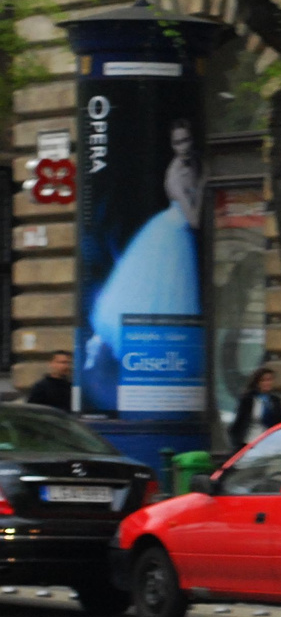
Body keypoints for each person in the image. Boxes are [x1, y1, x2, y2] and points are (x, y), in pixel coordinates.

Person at [80, 119, 203, 412]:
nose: (183, 148)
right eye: (177, 143)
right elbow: (195, 219)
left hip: (174, 235)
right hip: (173, 235)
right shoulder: (175, 174)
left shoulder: (196, 163)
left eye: (186, 140)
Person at [228, 367, 281, 451]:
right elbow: (238, 423)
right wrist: (236, 443)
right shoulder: (248, 399)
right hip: (249, 443)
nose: (267, 383)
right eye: (263, 380)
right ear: (257, 382)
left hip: (269, 443)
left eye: (270, 380)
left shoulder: (275, 400)